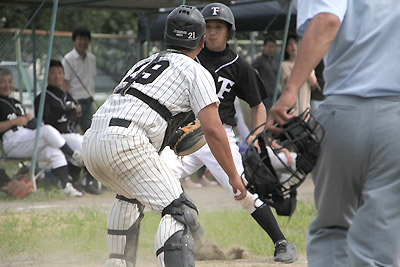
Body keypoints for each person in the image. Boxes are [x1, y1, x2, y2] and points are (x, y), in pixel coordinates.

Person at [81, 5, 247, 267]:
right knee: (181, 212)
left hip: (92, 141)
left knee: (130, 195)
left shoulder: (143, 63)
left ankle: (118, 263)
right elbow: (214, 130)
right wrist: (233, 175)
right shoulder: (196, 71)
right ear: (202, 41)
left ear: (167, 38)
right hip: (128, 142)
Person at [161, 3, 298, 263]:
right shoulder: (190, 57)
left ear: (228, 32)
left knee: (243, 192)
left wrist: (255, 137)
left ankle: (281, 242)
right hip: (184, 136)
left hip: (219, 135)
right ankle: (195, 234)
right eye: (208, 27)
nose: (212, 32)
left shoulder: (239, 65)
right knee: (157, 178)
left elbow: (257, 105)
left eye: (218, 27)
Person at [266, 1, 400, 266]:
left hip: (345, 111)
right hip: (395, 119)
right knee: (383, 235)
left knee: (333, 229)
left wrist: (292, 88)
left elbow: (327, 19)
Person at [0, 67, 82, 197]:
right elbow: (13, 123)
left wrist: (30, 120)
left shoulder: (15, 102)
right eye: (3, 82)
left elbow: (28, 124)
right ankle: (74, 155)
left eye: (10, 81)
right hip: (12, 141)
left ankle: (65, 185)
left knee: (54, 152)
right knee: (47, 130)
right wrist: (14, 122)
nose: (7, 85)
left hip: (24, 138)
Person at [34, 59, 101, 195]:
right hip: (58, 137)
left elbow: (74, 120)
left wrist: (75, 113)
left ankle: (85, 181)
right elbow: (44, 122)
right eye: (53, 73)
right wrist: (63, 111)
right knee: (87, 148)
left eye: (60, 73)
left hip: (71, 134)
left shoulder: (67, 95)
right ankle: (78, 180)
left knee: (95, 145)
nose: (57, 76)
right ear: (46, 75)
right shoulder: (42, 98)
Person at [62, 26, 96, 133]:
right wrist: (70, 102)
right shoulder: (68, 59)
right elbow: (64, 83)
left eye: (86, 39)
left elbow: (91, 79)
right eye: (80, 39)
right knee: (73, 130)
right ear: (74, 41)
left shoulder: (92, 58)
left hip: (88, 100)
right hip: (75, 100)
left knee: (90, 131)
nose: (83, 42)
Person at [280, 34, 319, 116]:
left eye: (296, 43)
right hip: (292, 110)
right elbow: (289, 81)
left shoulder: (307, 63)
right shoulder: (284, 65)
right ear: (286, 48)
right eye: (290, 44)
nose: (294, 46)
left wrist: (304, 62)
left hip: (305, 108)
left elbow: (313, 82)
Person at [252, 36, 278, 113]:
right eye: (269, 46)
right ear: (264, 47)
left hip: (274, 92)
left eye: (273, 47)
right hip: (265, 93)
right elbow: (250, 69)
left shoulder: (274, 60)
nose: (271, 49)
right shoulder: (260, 59)